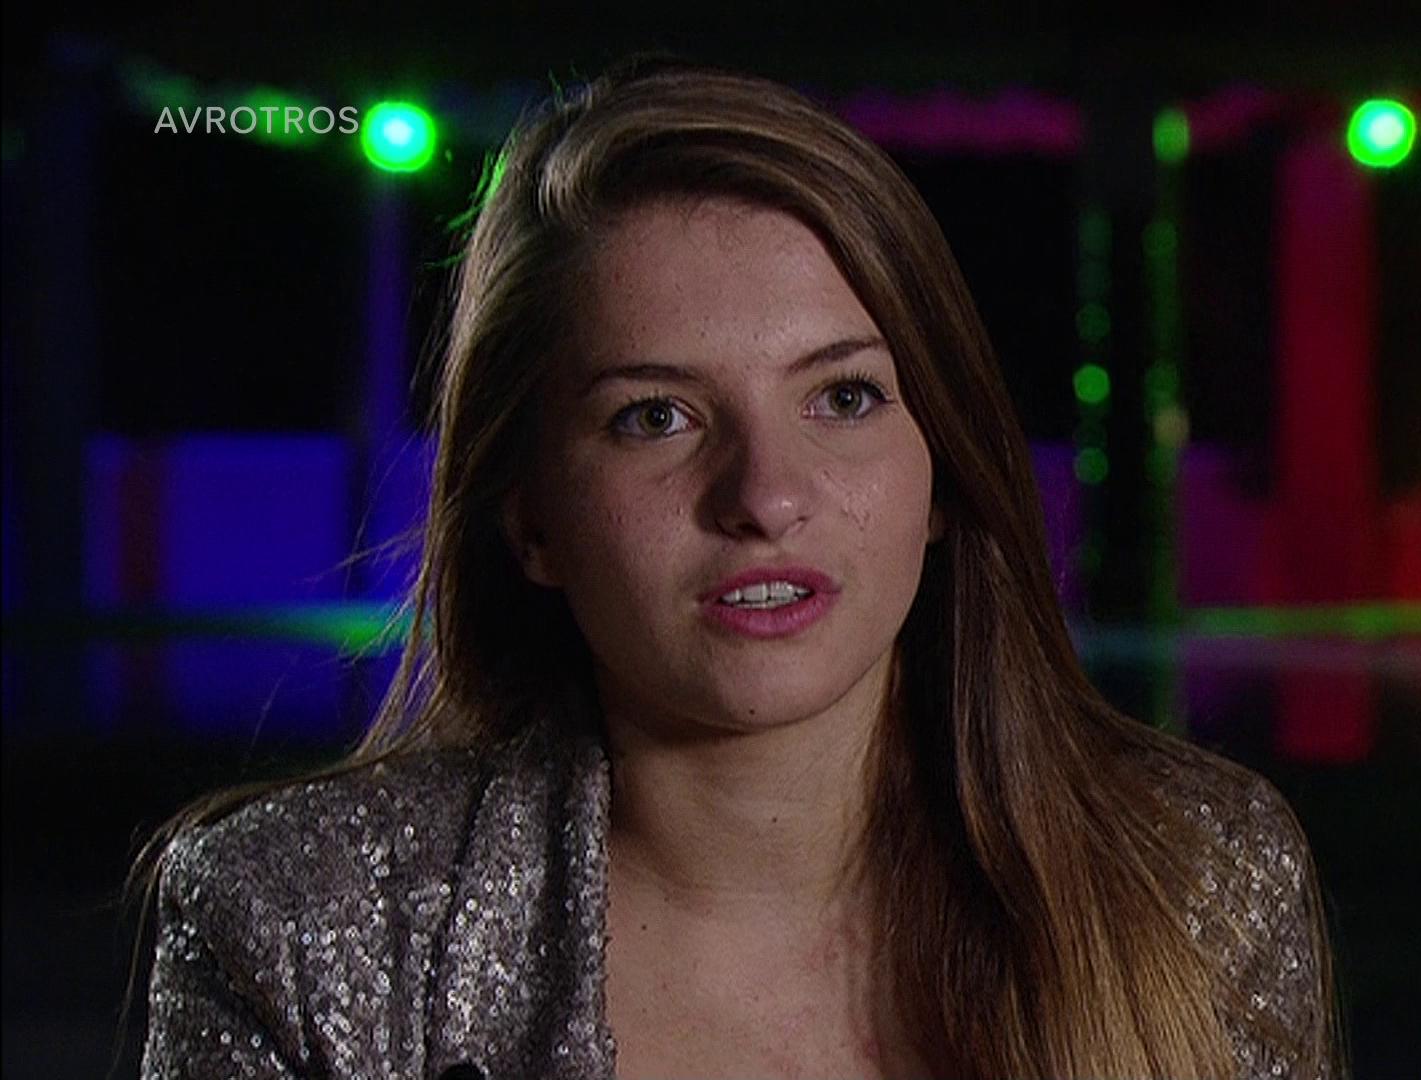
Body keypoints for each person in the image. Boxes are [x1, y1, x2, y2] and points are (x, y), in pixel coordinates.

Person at [136, 56, 1344, 1079]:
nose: (765, 497)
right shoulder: (299, 925)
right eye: (655, 417)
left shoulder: (1197, 886)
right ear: (532, 520)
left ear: (942, 469)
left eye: (845, 397)